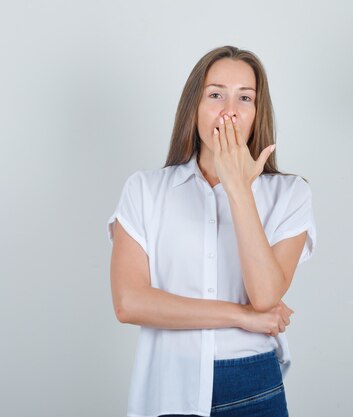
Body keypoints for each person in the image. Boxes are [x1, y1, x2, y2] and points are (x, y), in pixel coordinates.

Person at [107, 45, 317, 417]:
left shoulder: (290, 193)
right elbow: (130, 303)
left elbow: (266, 296)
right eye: (216, 94)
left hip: (252, 382)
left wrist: (238, 189)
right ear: (195, 106)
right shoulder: (144, 190)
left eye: (245, 98)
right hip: (170, 381)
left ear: (257, 112)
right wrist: (241, 316)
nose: (229, 111)